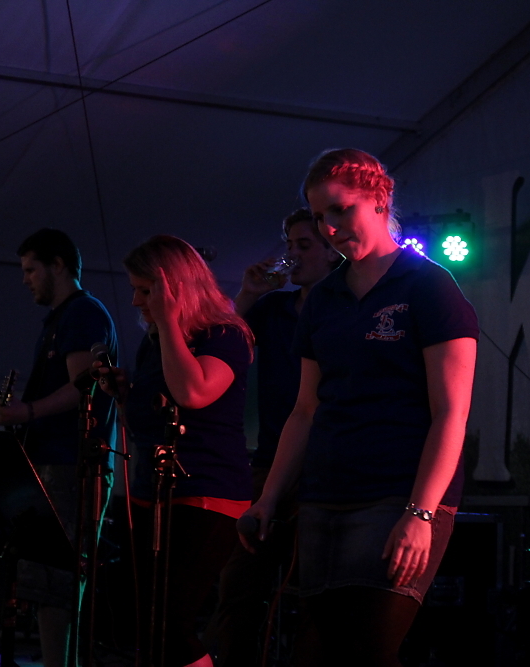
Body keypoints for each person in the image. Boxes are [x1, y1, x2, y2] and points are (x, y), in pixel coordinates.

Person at [241, 149, 478, 667]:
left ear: (379, 200)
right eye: (320, 216)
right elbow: (305, 410)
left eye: (340, 209)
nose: (329, 227)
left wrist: (421, 512)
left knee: (369, 650)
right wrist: (269, 498)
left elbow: (451, 413)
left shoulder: (429, 287)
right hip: (326, 494)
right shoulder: (323, 299)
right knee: (320, 652)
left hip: (398, 493)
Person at [98, 235, 254, 667]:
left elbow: (193, 393)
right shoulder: (155, 341)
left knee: (170, 622)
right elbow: (147, 423)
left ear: (174, 288)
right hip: (153, 490)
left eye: (145, 290)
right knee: (141, 619)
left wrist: (168, 323)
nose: (136, 301)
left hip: (206, 493)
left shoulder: (224, 335)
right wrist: (124, 396)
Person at [205, 209, 340, 666]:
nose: (293, 255)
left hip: (326, 468)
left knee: (316, 592)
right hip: (269, 460)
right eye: (290, 246)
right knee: (239, 583)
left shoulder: (345, 307)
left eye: (305, 245)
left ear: (332, 251)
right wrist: (247, 294)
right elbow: (217, 339)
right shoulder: (275, 310)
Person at [0, 228, 117, 667]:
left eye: (31, 270)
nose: (25, 279)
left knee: (55, 583)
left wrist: (26, 412)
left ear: (58, 265)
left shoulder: (82, 313)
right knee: (47, 583)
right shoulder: (64, 317)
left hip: (70, 463)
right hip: (56, 462)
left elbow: (83, 387)